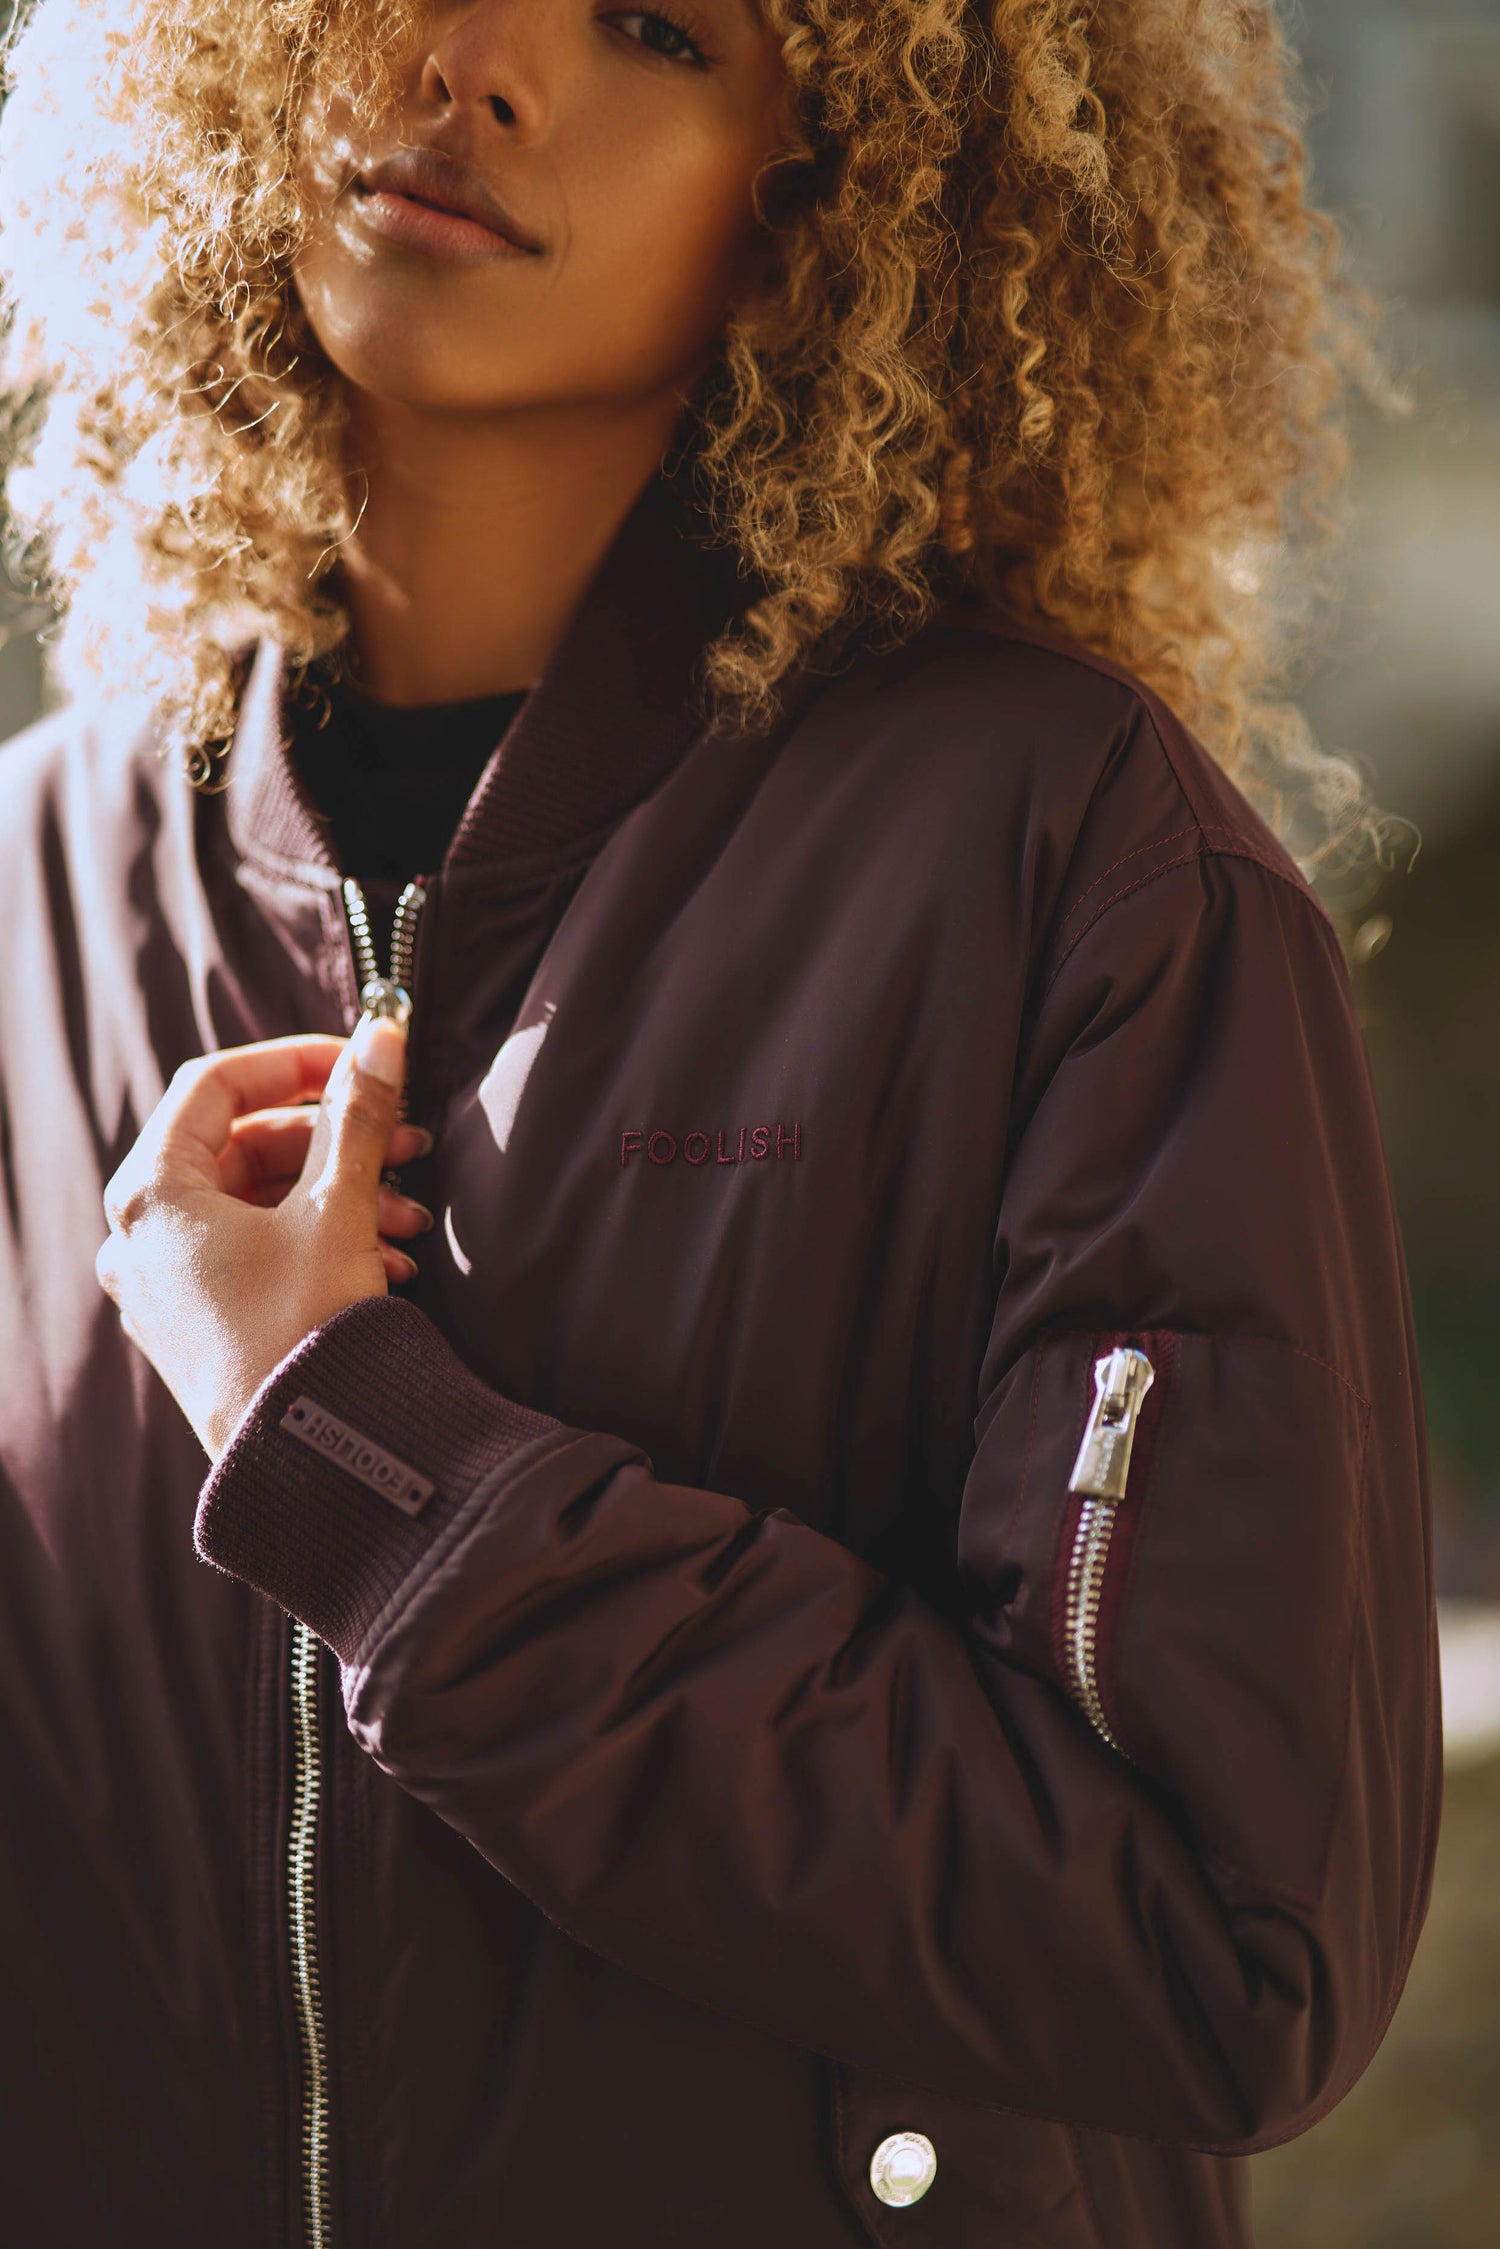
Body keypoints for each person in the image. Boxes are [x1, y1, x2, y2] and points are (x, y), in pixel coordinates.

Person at [0, 1, 1440, 2245]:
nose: (474, 63)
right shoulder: (27, 887)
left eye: (658, 24)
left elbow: (1214, 1954)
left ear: (818, 205)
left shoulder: (1075, 873)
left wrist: (360, 1454)